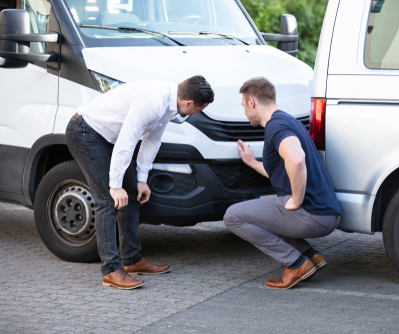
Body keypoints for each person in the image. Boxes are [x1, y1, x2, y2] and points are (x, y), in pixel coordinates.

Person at [66, 76, 214, 289]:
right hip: (86, 132)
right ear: (189, 102)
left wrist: (142, 180)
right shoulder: (152, 102)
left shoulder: (171, 105)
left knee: (132, 195)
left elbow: (152, 140)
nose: (196, 113)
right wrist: (115, 186)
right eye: (198, 109)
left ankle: (132, 259)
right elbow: (127, 141)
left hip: (110, 139)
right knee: (108, 200)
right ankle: (110, 270)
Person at [223, 77, 341, 290]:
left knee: (233, 216)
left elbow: (296, 160)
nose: (244, 112)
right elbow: (281, 171)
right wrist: (252, 162)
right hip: (325, 212)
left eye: (243, 106)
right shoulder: (287, 120)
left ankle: (295, 264)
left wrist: (296, 199)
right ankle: (310, 256)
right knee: (264, 214)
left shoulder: (275, 127)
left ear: (252, 102)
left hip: (311, 214)